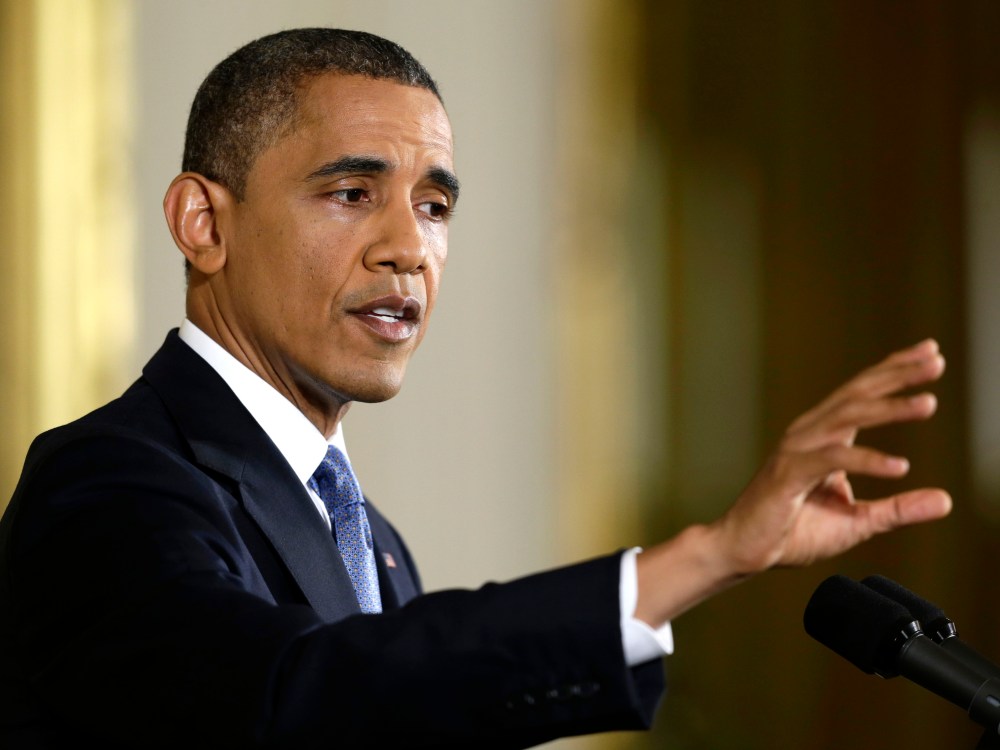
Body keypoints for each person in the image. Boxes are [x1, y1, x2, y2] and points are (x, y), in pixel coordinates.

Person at [0, 28, 951, 749]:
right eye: (350, 192)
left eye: (436, 205)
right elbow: (289, 697)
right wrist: (707, 556)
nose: (408, 248)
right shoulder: (107, 482)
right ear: (202, 222)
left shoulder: (373, 542)